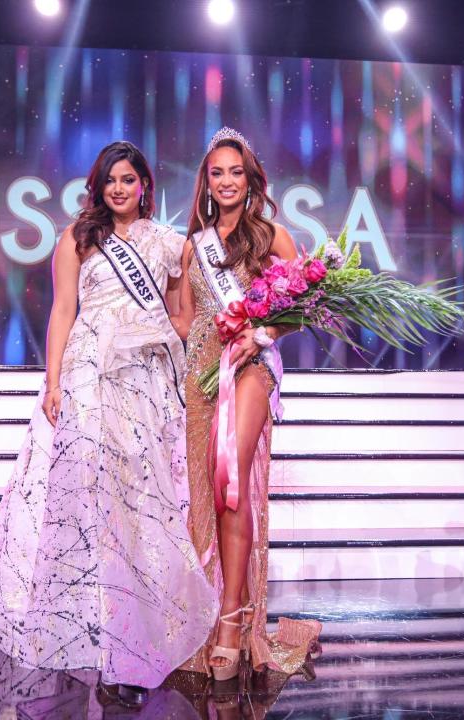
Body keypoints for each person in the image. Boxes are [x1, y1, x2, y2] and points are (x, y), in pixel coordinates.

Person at [0, 141, 218, 706]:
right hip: (85, 375)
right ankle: (90, 634)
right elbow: (62, 312)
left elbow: (181, 318)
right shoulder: (78, 237)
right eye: (111, 181)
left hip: (144, 381)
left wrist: (155, 335)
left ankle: (134, 636)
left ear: (145, 185)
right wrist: (53, 382)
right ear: (99, 186)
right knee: (86, 501)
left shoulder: (168, 244)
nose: (119, 189)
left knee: (137, 506)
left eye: (129, 180)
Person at [172, 128, 322, 684]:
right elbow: (186, 320)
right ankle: (209, 612)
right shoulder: (194, 246)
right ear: (206, 182)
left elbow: (307, 305)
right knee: (205, 498)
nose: (228, 181)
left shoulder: (272, 237)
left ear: (250, 178)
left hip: (251, 369)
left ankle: (234, 621)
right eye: (218, 172)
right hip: (200, 378)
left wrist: (262, 334)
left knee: (230, 483)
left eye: (237, 171)